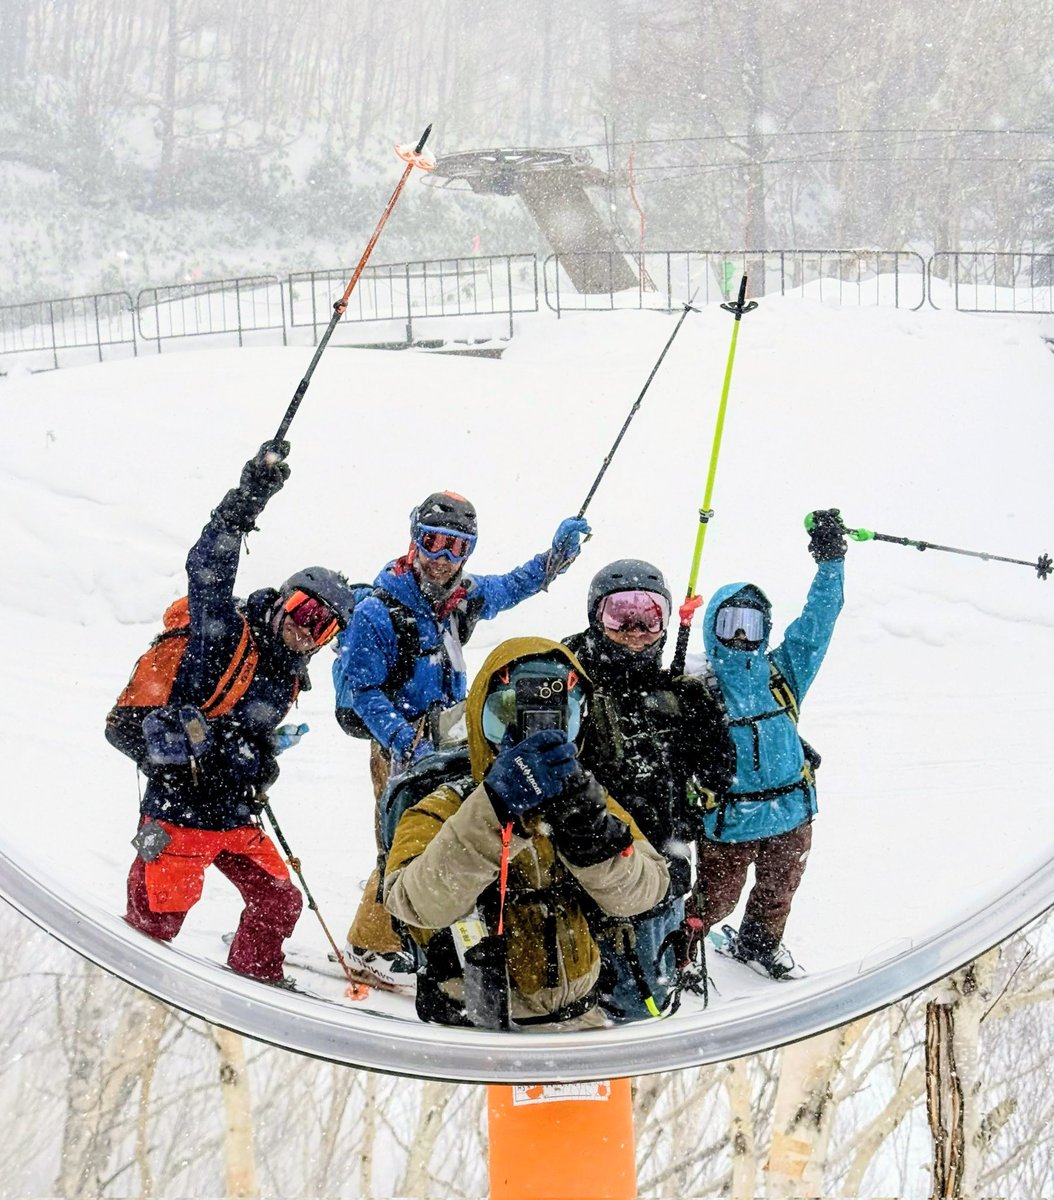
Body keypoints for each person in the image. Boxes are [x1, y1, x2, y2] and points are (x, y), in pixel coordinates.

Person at [106, 440, 357, 986]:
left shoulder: (289, 675)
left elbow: (252, 738)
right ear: (284, 600)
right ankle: (133, 983)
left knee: (280, 900)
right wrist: (246, 500)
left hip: (234, 818)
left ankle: (255, 977)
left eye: (324, 626)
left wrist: (259, 764)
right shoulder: (222, 636)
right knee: (158, 919)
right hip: (179, 810)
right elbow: (208, 567)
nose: (305, 629)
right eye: (303, 611)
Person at [332, 491, 590, 990]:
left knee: (444, 836)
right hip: (401, 746)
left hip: (449, 737)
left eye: (457, 547)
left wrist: (554, 561)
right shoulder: (379, 612)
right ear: (414, 540)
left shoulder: (458, 599)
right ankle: (370, 945)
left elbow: (512, 586)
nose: (443, 558)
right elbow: (361, 690)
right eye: (433, 542)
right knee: (402, 841)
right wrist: (406, 742)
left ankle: (417, 932)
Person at [382, 636, 670, 1029]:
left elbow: (646, 891)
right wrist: (494, 810)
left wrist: (594, 842)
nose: (529, 727)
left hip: (581, 1020)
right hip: (476, 1028)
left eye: (558, 715)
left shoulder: (588, 799)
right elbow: (414, 903)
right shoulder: (445, 805)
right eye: (505, 712)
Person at [563, 560, 734, 1020]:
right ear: (596, 619)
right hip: (589, 879)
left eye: (650, 615)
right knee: (580, 1006)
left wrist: (707, 725)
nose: (636, 630)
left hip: (663, 875)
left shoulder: (675, 695)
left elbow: (719, 777)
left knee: (646, 1008)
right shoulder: (571, 684)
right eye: (621, 615)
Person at [685, 509, 846, 980]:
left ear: (765, 630)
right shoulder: (700, 687)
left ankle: (760, 944)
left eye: (750, 625)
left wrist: (830, 561)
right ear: (712, 627)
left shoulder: (783, 675)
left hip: (792, 815)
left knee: (778, 893)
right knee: (713, 898)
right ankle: (680, 955)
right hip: (730, 820)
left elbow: (818, 623)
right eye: (730, 622)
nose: (739, 635)